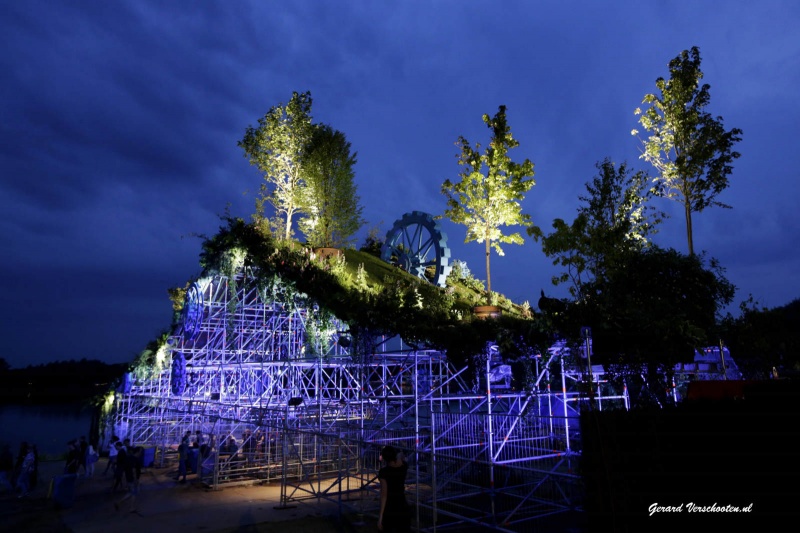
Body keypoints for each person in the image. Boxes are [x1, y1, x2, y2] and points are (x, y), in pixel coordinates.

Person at [378, 445, 410, 532]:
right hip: (402, 504)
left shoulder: (384, 472)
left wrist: (380, 517)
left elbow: (384, 495)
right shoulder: (403, 466)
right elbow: (401, 456)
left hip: (390, 507)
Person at [115, 446, 143, 512]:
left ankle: (119, 503)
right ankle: (131, 508)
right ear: (138, 451)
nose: (141, 453)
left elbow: (125, 468)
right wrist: (136, 479)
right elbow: (134, 470)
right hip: (132, 478)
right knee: (134, 493)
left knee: (131, 492)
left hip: (129, 477)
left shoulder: (129, 458)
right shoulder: (135, 459)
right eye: (140, 451)